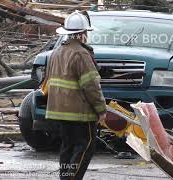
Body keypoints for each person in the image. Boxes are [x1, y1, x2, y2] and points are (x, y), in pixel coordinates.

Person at [45, 11, 107, 180]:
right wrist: (101, 109)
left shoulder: (57, 52)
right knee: (85, 147)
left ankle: (65, 177)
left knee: (68, 147)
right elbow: (91, 86)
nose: (87, 35)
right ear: (81, 34)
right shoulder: (81, 53)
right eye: (86, 32)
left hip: (60, 112)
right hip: (80, 113)